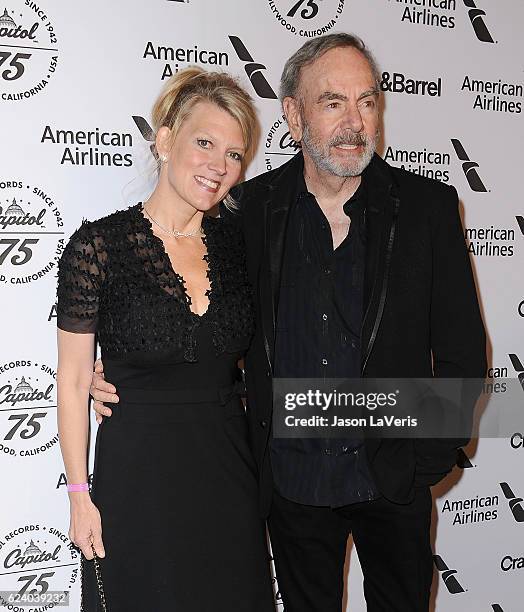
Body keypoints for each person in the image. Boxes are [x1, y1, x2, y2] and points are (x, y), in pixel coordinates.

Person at [90, 34, 487, 611]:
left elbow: (462, 353)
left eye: (367, 101)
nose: (356, 121)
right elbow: (204, 317)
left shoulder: (427, 207)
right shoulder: (247, 210)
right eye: (333, 102)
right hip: (291, 487)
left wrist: (424, 460)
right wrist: (127, 369)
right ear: (294, 116)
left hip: (393, 481)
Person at [56, 67, 275, 612]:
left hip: (227, 473)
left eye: (233, 153)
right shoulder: (98, 247)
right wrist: (80, 498)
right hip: (138, 477)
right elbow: (73, 380)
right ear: (165, 140)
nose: (219, 166)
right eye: (205, 142)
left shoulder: (239, 243)